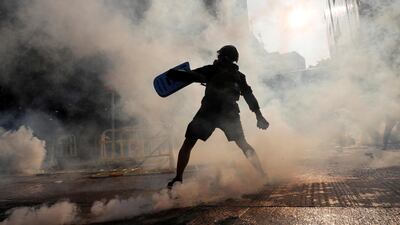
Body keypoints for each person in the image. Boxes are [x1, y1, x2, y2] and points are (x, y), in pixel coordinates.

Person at [166, 45, 269, 188]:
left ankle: (178, 178)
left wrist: (174, 73)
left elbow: (192, 76)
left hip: (209, 112)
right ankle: (262, 175)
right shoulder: (239, 77)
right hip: (230, 113)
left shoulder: (212, 69)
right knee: (243, 144)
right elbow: (249, 96)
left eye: (220, 55)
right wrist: (259, 116)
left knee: (188, 143)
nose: (218, 58)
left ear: (223, 57)